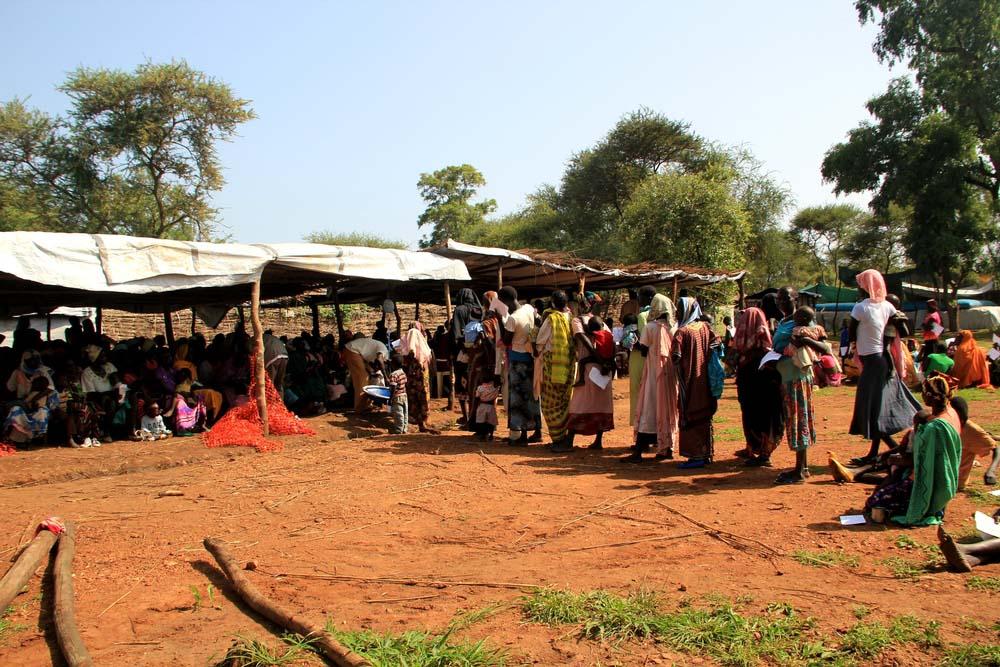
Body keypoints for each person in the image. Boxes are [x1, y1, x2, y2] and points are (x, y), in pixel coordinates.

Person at [863, 374, 961, 526]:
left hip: (929, 484)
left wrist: (896, 460)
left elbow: (922, 462)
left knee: (874, 502)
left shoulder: (934, 428)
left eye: (923, 392)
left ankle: (913, 507)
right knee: (891, 474)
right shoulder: (951, 414)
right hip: (946, 481)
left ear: (929, 396)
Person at [772, 287, 829, 484]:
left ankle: (801, 469)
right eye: (779, 298)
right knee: (793, 419)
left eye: (785, 298)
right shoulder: (784, 322)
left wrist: (803, 339)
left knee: (799, 419)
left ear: (795, 298)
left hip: (798, 377)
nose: (781, 301)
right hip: (787, 377)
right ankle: (800, 466)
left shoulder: (805, 321)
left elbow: (825, 347)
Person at [848, 269, 899, 465]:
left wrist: (853, 347)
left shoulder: (860, 308)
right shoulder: (887, 306)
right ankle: (875, 453)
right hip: (882, 360)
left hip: (872, 361)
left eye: (860, 285)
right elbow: (897, 327)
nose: (859, 289)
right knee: (875, 407)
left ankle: (894, 448)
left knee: (869, 407)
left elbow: (851, 332)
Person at [624, 294, 679, 463]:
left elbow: (643, 349)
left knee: (648, 408)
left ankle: (638, 451)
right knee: (667, 409)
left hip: (654, 373)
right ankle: (666, 448)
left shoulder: (650, 327)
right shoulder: (674, 328)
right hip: (669, 374)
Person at [731, 307, 784, 467]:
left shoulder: (740, 345)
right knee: (764, 416)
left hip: (750, 384)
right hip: (764, 385)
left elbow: (730, 360)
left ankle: (761, 452)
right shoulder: (768, 345)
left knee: (751, 415)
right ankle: (759, 449)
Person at [673, 296, 720, 468]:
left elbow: (676, 357)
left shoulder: (682, 332)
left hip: (689, 382)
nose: (677, 313)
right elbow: (716, 343)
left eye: (679, 309)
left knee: (689, 415)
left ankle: (695, 456)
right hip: (705, 381)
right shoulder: (706, 327)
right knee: (704, 416)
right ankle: (705, 452)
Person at [565, 293, 615, 450]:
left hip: (590, 367)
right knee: (601, 403)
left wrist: (597, 358)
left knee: (579, 402)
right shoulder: (603, 323)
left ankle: (569, 440)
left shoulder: (577, 320)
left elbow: (582, 338)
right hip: (604, 369)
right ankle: (598, 440)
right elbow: (610, 341)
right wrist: (607, 362)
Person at [499, 286, 541, 445]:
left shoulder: (512, 319)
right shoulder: (529, 308)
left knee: (518, 399)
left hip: (517, 360)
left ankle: (522, 436)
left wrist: (499, 319)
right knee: (533, 395)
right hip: (531, 357)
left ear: (503, 301)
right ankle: (537, 431)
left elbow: (507, 341)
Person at [533, 290, 574, 451]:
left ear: (552, 303)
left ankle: (558, 439)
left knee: (550, 404)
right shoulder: (571, 317)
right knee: (564, 401)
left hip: (552, 365)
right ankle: (562, 437)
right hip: (569, 365)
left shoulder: (551, 319)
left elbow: (540, 342)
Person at [951, 395, 1000, 490]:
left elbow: (996, 449)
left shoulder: (971, 430)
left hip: (954, 481)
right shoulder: (943, 423)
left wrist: (991, 470)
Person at [451, 288, 483, 425]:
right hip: (480, 355)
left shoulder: (459, 310)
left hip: (463, 355)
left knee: (462, 385)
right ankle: (476, 416)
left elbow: (456, 334)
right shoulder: (480, 309)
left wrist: (463, 348)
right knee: (477, 385)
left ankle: (466, 417)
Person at [399, 324, 438, 433]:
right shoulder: (413, 332)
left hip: (414, 371)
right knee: (422, 395)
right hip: (418, 370)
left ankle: (420, 421)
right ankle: (423, 421)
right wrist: (416, 363)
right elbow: (412, 349)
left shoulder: (408, 335)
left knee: (414, 395)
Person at [628, 286, 657, 425]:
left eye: (640, 296)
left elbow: (642, 342)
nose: (638, 299)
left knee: (637, 392)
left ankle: (639, 425)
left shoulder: (642, 316)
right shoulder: (659, 314)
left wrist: (628, 341)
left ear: (649, 298)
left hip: (640, 359)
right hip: (655, 359)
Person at [343, 334, 389, 413]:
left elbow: (369, 363)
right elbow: (379, 359)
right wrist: (386, 377)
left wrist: (372, 371)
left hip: (353, 350)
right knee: (363, 379)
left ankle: (365, 405)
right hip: (352, 350)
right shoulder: (384, 353)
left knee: (362, 379)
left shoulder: (372, 353)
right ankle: (359, 407)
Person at [574, 314, 614, 387]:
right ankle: (611, 378)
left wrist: (582, 320)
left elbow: (585, 329)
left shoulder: (596, 333)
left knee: (582, 362)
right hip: (610, 357)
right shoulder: (609, 333)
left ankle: (581, 380)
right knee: (613, 365)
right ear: (602, 324)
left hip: (600, 357)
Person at [473, 377, 500, 441]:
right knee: (491, 421)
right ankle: (491, 435)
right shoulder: (495, 388)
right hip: (491, 406)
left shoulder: (480, 388)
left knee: (482, 421)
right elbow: (496, 396)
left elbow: (477, 396)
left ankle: (483, 435)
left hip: (482, 405)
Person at [387, 355, 408, 435]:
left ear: (393, 364)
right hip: (404, 395)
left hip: (397, 397)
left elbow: (393, 387)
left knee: (398, 414)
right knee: (405, 413)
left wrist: (390, 398)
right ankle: (404, 429)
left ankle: (398, 430)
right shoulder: (403, 372)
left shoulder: (393, 375)